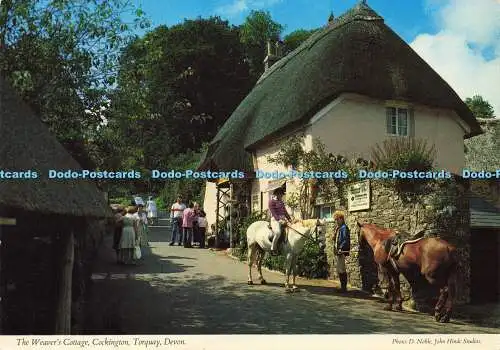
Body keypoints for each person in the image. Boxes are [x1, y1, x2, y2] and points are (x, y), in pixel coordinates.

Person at [268, 186, 292, 255]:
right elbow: (274, 213)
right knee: (278, 232)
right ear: (277, 194)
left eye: (282, 194)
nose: (281, 196)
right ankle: (273, 248)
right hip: (275, 220)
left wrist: (290, 219)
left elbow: (285, 212)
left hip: (283, 219)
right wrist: (279, 220)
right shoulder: (271, 202)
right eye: (280, 194)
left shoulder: (281, 202)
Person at [333, 210, 350, 292]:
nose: (336, 221)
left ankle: (344, 288)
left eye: (337, 219)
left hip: (342, 251)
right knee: (340, 269)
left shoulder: (344, 228)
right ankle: (342, 286)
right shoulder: (340, 228)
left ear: (341, 219)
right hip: (339, 251)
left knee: (342, 269)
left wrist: (340, 248)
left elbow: (345, 240)